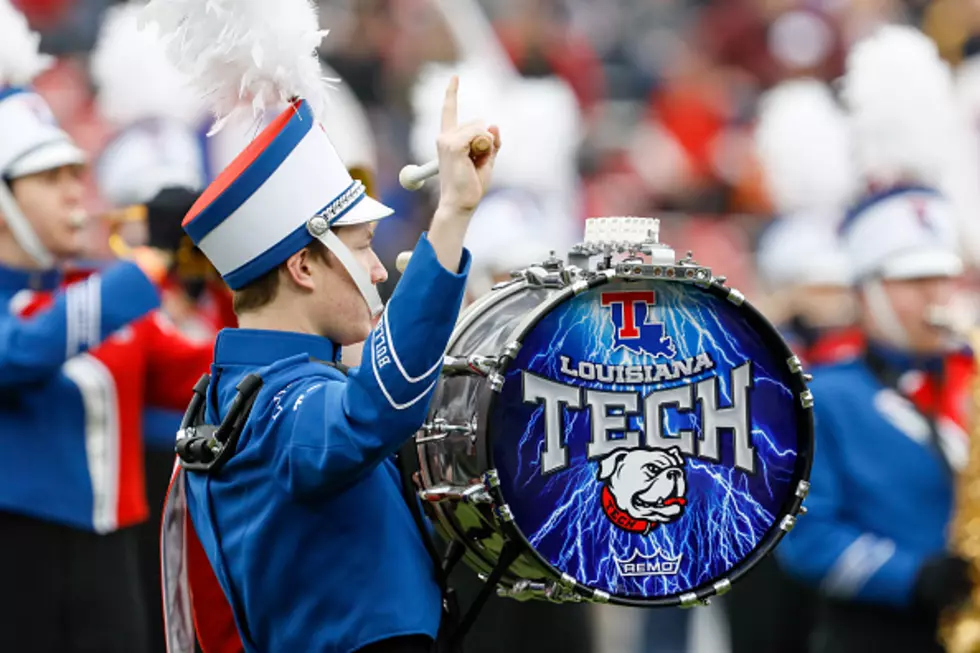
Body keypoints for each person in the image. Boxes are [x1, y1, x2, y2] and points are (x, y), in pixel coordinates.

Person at [144, 0, 502, 650]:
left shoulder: (248, 389)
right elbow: (372, 411)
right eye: (361, 244)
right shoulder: (283, 404)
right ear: (305, 264)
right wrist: (448, 220)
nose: (374, 266)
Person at [0, 1, 215, 651]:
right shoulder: (110, 291)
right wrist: (138, 276)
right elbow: (20, 352)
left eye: (76, 172)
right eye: (51, 177)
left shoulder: (97, 292)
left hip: (112, 558)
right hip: (16, 555)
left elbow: (194, 374)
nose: (76, 192)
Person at [777, 25, 975, 653]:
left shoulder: (973, 371)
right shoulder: (825, 393)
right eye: (913, 280)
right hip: (877, 632)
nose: (936, 296)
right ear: (866, 291)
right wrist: (911, 576)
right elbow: (806, 542)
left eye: (944, 276)